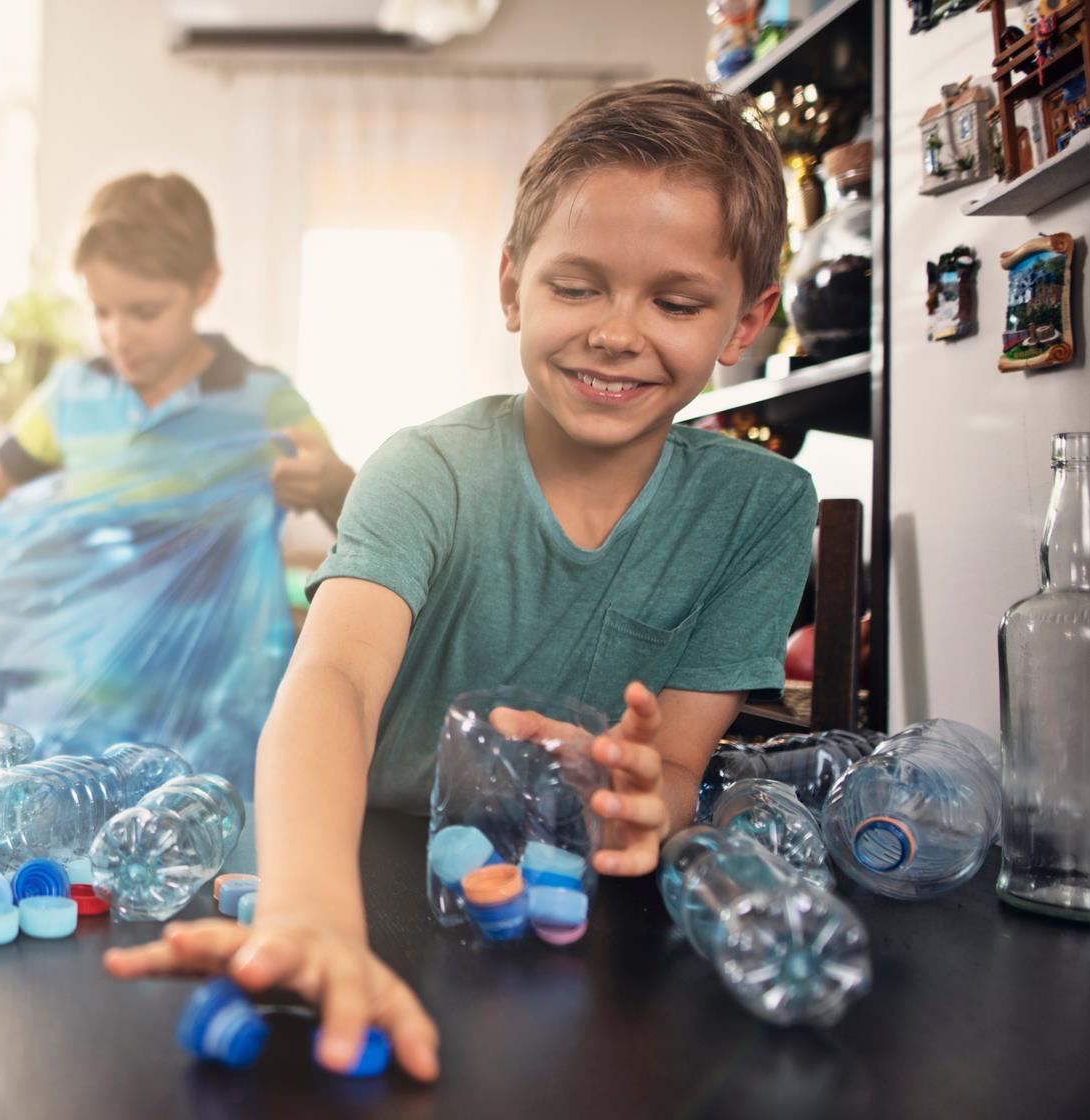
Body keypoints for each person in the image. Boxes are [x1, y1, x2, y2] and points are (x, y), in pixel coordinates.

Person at [105, 81, 817, 1082]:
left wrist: (638, 803)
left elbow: (671, 776)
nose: (617, 331)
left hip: (558, 898)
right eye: (578, 287)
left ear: (746, 322)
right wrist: (309, 907)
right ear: (512, 284)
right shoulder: (424, 469)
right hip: (352, 848)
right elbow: (335, 680)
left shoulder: (766, 509)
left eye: (675, 301)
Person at [0, 171, 344, 568]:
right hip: (89, 681)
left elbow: (362, 517)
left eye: (145, 313)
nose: (118, 337)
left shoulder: (262, 400)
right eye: (101, 311)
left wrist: (331, 483)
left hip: (226, 684)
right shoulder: (70, 395)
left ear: (205, 286)